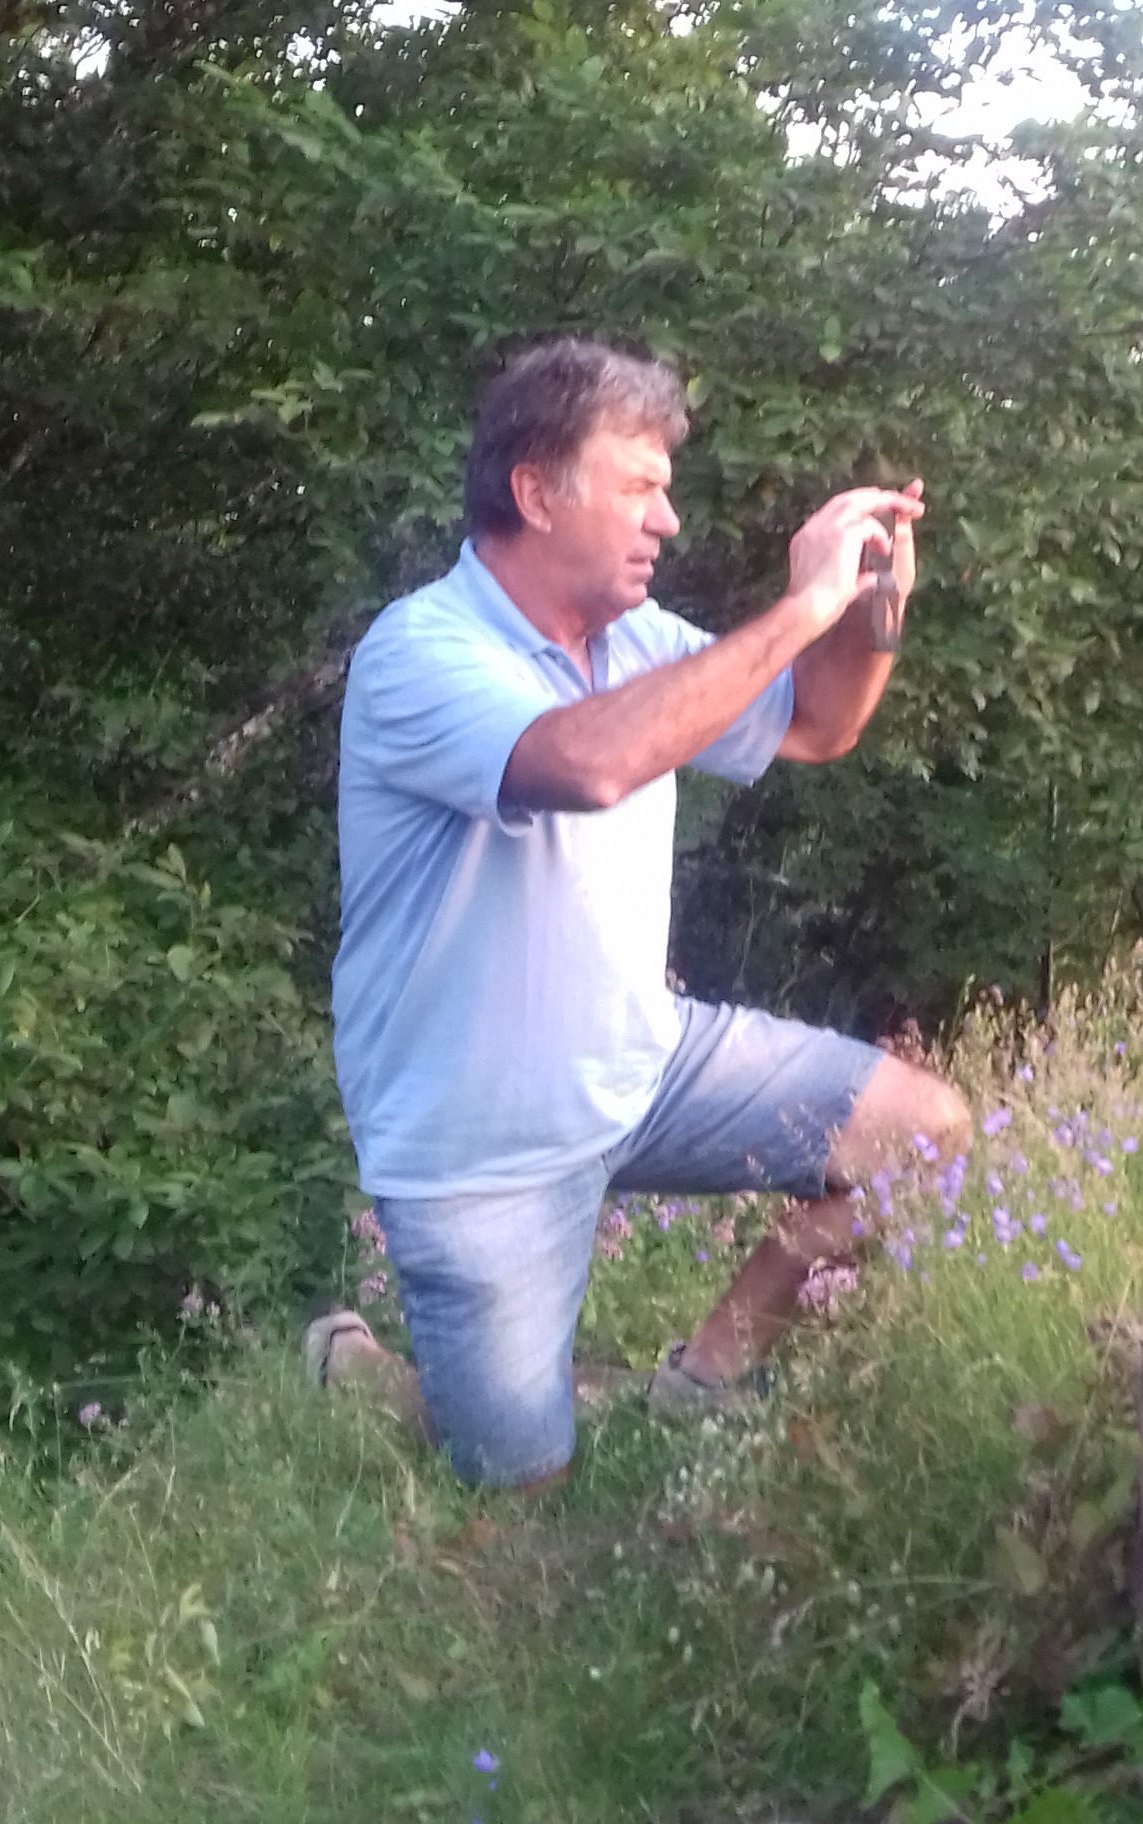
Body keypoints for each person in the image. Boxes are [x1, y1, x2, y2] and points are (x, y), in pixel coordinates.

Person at [313, 335, 973, 1489]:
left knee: (926, 1134)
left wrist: (870, 610)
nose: (667, 520)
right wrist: (801, 603)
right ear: (536, 492)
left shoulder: (638, 641)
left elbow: (818, 725)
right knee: (521, 1485)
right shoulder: (419, 652)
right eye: (640, 487)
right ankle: (365, 1375)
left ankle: (703, 1382)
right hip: (483, 1143)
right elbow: (589, 764)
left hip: (644, 1064)